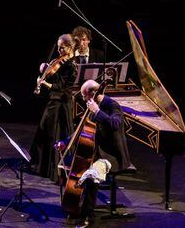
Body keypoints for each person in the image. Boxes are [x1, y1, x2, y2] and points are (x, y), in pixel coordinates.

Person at [57, 79, 136, 226]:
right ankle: (74, 207)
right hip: (96, 153)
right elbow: (80, 130)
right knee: (72, 167)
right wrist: (65, 142)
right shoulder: (93, 107)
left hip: (111, 155)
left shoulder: (112, 105)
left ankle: (88, 216)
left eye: (84, 95)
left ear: (93, 94)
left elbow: (115, 124)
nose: (83, 99)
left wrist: (98, 112)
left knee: (91, 176)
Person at [29, 34, 78, 183]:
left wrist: (44, 83)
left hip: (61, 103)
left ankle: (55, 170)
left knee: (54, 133)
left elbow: (60, 87)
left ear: (70, 47)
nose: (59, 50)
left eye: (62, 47)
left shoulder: (70, 65)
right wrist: (45, 69)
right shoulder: (60, 62)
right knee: (47, 132)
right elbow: (53, 76)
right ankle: (44, 166)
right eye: (58, 46)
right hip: (54, 101)